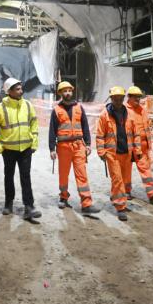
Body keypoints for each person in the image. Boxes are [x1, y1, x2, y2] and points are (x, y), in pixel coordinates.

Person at [0, 77, 41, 221]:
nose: (21, 91)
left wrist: (34, 142)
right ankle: (8, 203)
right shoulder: (0, 108)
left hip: (25, 148)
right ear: (9, 91)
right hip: (8, 149)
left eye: (21, 88)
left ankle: (29, 206)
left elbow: (34, 123)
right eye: (17, 89)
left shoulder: (27, 105)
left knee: (26, 177)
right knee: (9, 176)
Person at [49, 81, 100, 215]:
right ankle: (63, 197)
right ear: (60, 93)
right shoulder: (56, 110)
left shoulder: (79, 107)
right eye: (64, 91)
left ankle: (86, 203)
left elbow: (85, 127)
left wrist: (88, 144)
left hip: (78, 146)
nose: (67, 93)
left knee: (82, 175)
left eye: (69, 91)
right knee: (63, 174)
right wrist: (51, 149)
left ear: (72, 92)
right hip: (63, 147)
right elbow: (52, 131)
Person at [95, 86, 140, 221]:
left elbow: (135, 133)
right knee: (117, 179)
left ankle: (116, 195)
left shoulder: (130, 114)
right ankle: (120, 207)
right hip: (112, 154)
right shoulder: (105, 115)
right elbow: (99, 135)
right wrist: (101, 151)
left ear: (123, 98)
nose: (118, 101)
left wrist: (137, 150)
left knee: (125, 180)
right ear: (112, 99)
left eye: (120, 98)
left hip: (127, 153)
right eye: (115, 98)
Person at [126, 86, 153, 203]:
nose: (138, 99)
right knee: (126, 170)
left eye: (139, 97)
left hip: (142, 145)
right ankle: (125, 191)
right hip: (129, 146)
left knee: (145, 169)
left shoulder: (142, 110)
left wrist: (148, 144)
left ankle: (152, 194)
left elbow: (146, 127)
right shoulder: (124, 110)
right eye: (135, 97)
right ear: (129, 97)